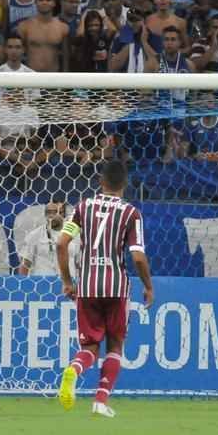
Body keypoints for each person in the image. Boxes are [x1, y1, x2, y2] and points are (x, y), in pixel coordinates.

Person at [55, 160, 153, 418]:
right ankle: (100, 401)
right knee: (115, 345)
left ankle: (74, 370)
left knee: (89, 348)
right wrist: (148, 286)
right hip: (116, 286)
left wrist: (67, 281)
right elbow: (138, 256)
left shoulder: (82, 207)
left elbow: (61, 243)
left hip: (87, 286)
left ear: (100, 181)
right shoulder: (131, 213)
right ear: (125, 184)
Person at [19, 201, 79, 277]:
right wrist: (22, 285)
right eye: (49, 212)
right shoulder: (34, 235)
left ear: (63, 214)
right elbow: (25, 264)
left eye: (55, 212)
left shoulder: (75, 235)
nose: (51, 215)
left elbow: (79, 263)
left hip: (67, 284)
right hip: (41, 285)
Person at [17, 0, 68, 71]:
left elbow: (66, 57)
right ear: (35, 2)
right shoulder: (24, 26)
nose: (44, 2)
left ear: (54, 3)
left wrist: (66, 76)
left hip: (53, 78)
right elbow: (17, 54)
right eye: (40, 0)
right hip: (30, 77)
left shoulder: (63, 27)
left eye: (48, 0)